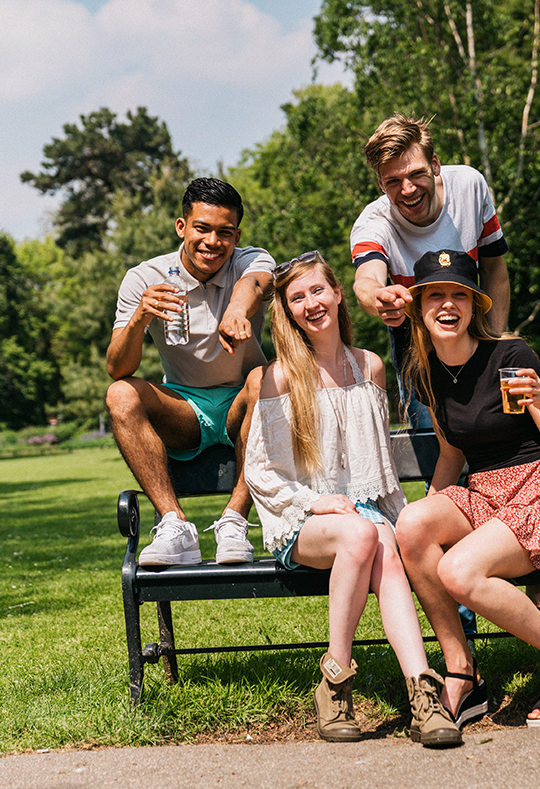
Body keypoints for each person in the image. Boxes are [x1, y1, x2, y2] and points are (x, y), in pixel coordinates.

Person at [350, 113, 540, 633]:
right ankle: (462, 593)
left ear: (435, 164)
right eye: (391, 181)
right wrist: (379, 298)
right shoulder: (375, 220)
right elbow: (366, 277)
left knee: (520, 443)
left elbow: (495, 266)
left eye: (415, 174)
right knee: (449, 447)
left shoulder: (471, 186)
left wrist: (494, 341)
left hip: (481, 324)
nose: (406, 189)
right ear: (379, 184)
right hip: (419, 343)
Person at [244, 251, 461, 748]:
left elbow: (378, 464)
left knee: (378, 538)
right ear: (288, 310)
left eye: (318, 291)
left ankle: (422, 694)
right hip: (303, 521)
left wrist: (398, 522)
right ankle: (335, 681)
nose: (310, 304)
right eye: (297, 298)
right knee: (361, 533)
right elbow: (260, 470)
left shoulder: (371, 367)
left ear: (339, 294)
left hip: (362, 514)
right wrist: (316, 503)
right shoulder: (280, 376)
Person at [394, 249, 540, 728]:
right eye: (436, 295)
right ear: (419, 308)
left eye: (459, 295)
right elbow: (451, 456)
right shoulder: (425, 373)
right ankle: (463, 672)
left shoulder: (511, 355)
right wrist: (418, 529)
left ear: (475, 306)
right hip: (485, 493)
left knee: (460, 572)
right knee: (411, 525)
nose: (448, 305)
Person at [106, 178, 269, 568]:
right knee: (120, 394)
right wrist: (140, 319)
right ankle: (174, 524)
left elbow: (254, 283)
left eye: (224, 232)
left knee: (270, 376)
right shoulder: (145, 277)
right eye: (202, 228)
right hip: (185, 409)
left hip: (243, 406)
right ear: (182, 227)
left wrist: (236, 311)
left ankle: (234, 522)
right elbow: (117, 368)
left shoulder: (251, 260)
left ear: (237, 235)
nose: (213, 241)